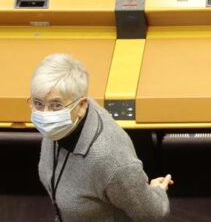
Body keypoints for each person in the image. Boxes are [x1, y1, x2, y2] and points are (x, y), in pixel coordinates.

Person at [29, 53, 173, 222]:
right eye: (38, 103)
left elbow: (152, 214)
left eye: (56, 105)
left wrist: (155, 194)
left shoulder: (111, 160)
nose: (45, 114)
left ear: (81, 105)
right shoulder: (61, 126)